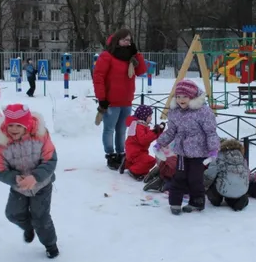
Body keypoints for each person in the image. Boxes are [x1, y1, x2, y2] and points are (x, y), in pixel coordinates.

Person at [0, 104, 59, 259]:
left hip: (41, 185)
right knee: (13, 214)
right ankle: (29, 227)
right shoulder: (1, 142)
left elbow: (50, 160)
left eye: (18, 125)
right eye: (11, 125)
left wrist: (35, 177)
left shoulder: (41, 136)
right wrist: (14, 178)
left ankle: (50, 244)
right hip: (19, 186)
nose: (13, 129)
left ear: (27, 125)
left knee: (41, 218)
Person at [155, 79, 220, 215]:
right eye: (178, 96)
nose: (180, 100)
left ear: (192, 96)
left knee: (195, 179)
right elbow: (171, 131)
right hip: (182, 152)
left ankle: (197, 203)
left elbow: (210, 132)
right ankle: (175, 202)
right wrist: (160, 142)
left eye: (184, 96)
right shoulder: (175, 112)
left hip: (199, 152)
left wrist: (213, 149)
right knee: (179, 177)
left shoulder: (203, 112)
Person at [93, 28, 147, 170]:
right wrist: (102, 98)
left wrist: (137, 54)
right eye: (125, 39)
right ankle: (110, 154)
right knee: (109, 129)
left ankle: (120, 152)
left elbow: (141, 71)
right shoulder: (107, 56)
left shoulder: (131, 57)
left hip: (126, 100)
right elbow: (98, 78)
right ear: (118, 40)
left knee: (122, 130)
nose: (127, 42)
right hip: (111, 101)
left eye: (129, 40)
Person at [119, 105, 164, 181]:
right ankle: (134, 171)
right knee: (151, 161)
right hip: (136, 152)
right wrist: (155, 132)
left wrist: (158, 131)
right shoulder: (139, 126)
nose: (151, 118)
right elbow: (144, 140)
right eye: (149, 116)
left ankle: (127, 163)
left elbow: (146, 135)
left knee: (140, 161)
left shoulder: (139, 124)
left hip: (134, 151)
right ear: (143, 116)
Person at [204, 139, 250, 211]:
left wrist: (204, 186)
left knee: (214, 179)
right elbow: (247, 174)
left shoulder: (219, 157)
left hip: (222, 188)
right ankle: (237, 199)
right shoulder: (242, 159)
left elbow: (210, 174)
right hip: (241, 189)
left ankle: (216, 199)